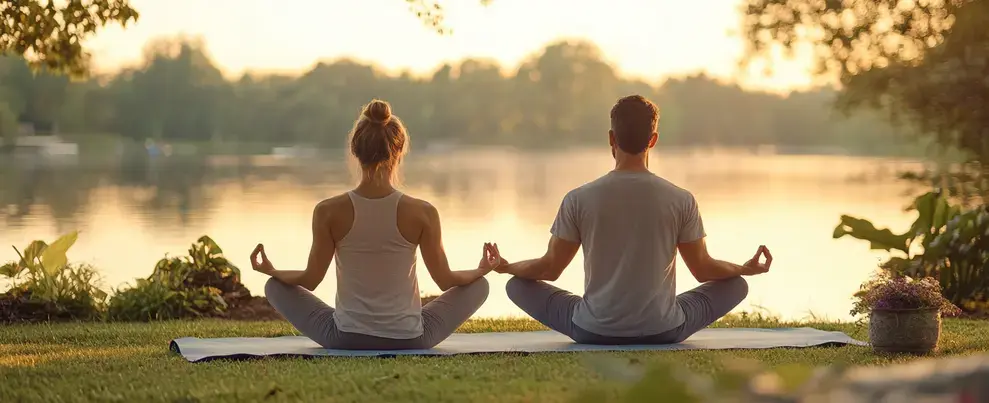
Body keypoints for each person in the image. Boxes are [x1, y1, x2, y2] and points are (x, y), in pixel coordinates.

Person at [495, 95, 773, 345]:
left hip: (592, 330)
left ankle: (603, 314)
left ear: (611, 139)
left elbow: (549, 268)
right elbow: (703, 269)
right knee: (737, 284)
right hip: (664, 330)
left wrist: (507, 267)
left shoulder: (578, 198)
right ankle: (654, 315)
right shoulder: (681, 199)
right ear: (653, 140)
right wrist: (744, 268)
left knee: (517, 284)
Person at [252, 99, 502, 350]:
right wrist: (481, 270)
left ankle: (353, 322)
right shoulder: (423, 212)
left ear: (354, 150)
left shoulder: (327, 211)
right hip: (411, 339)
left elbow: (310, 279)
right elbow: (446, 280)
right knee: (479, 286)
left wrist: (272, 272)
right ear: (399, 150)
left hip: (344, 338)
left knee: (275, 287)